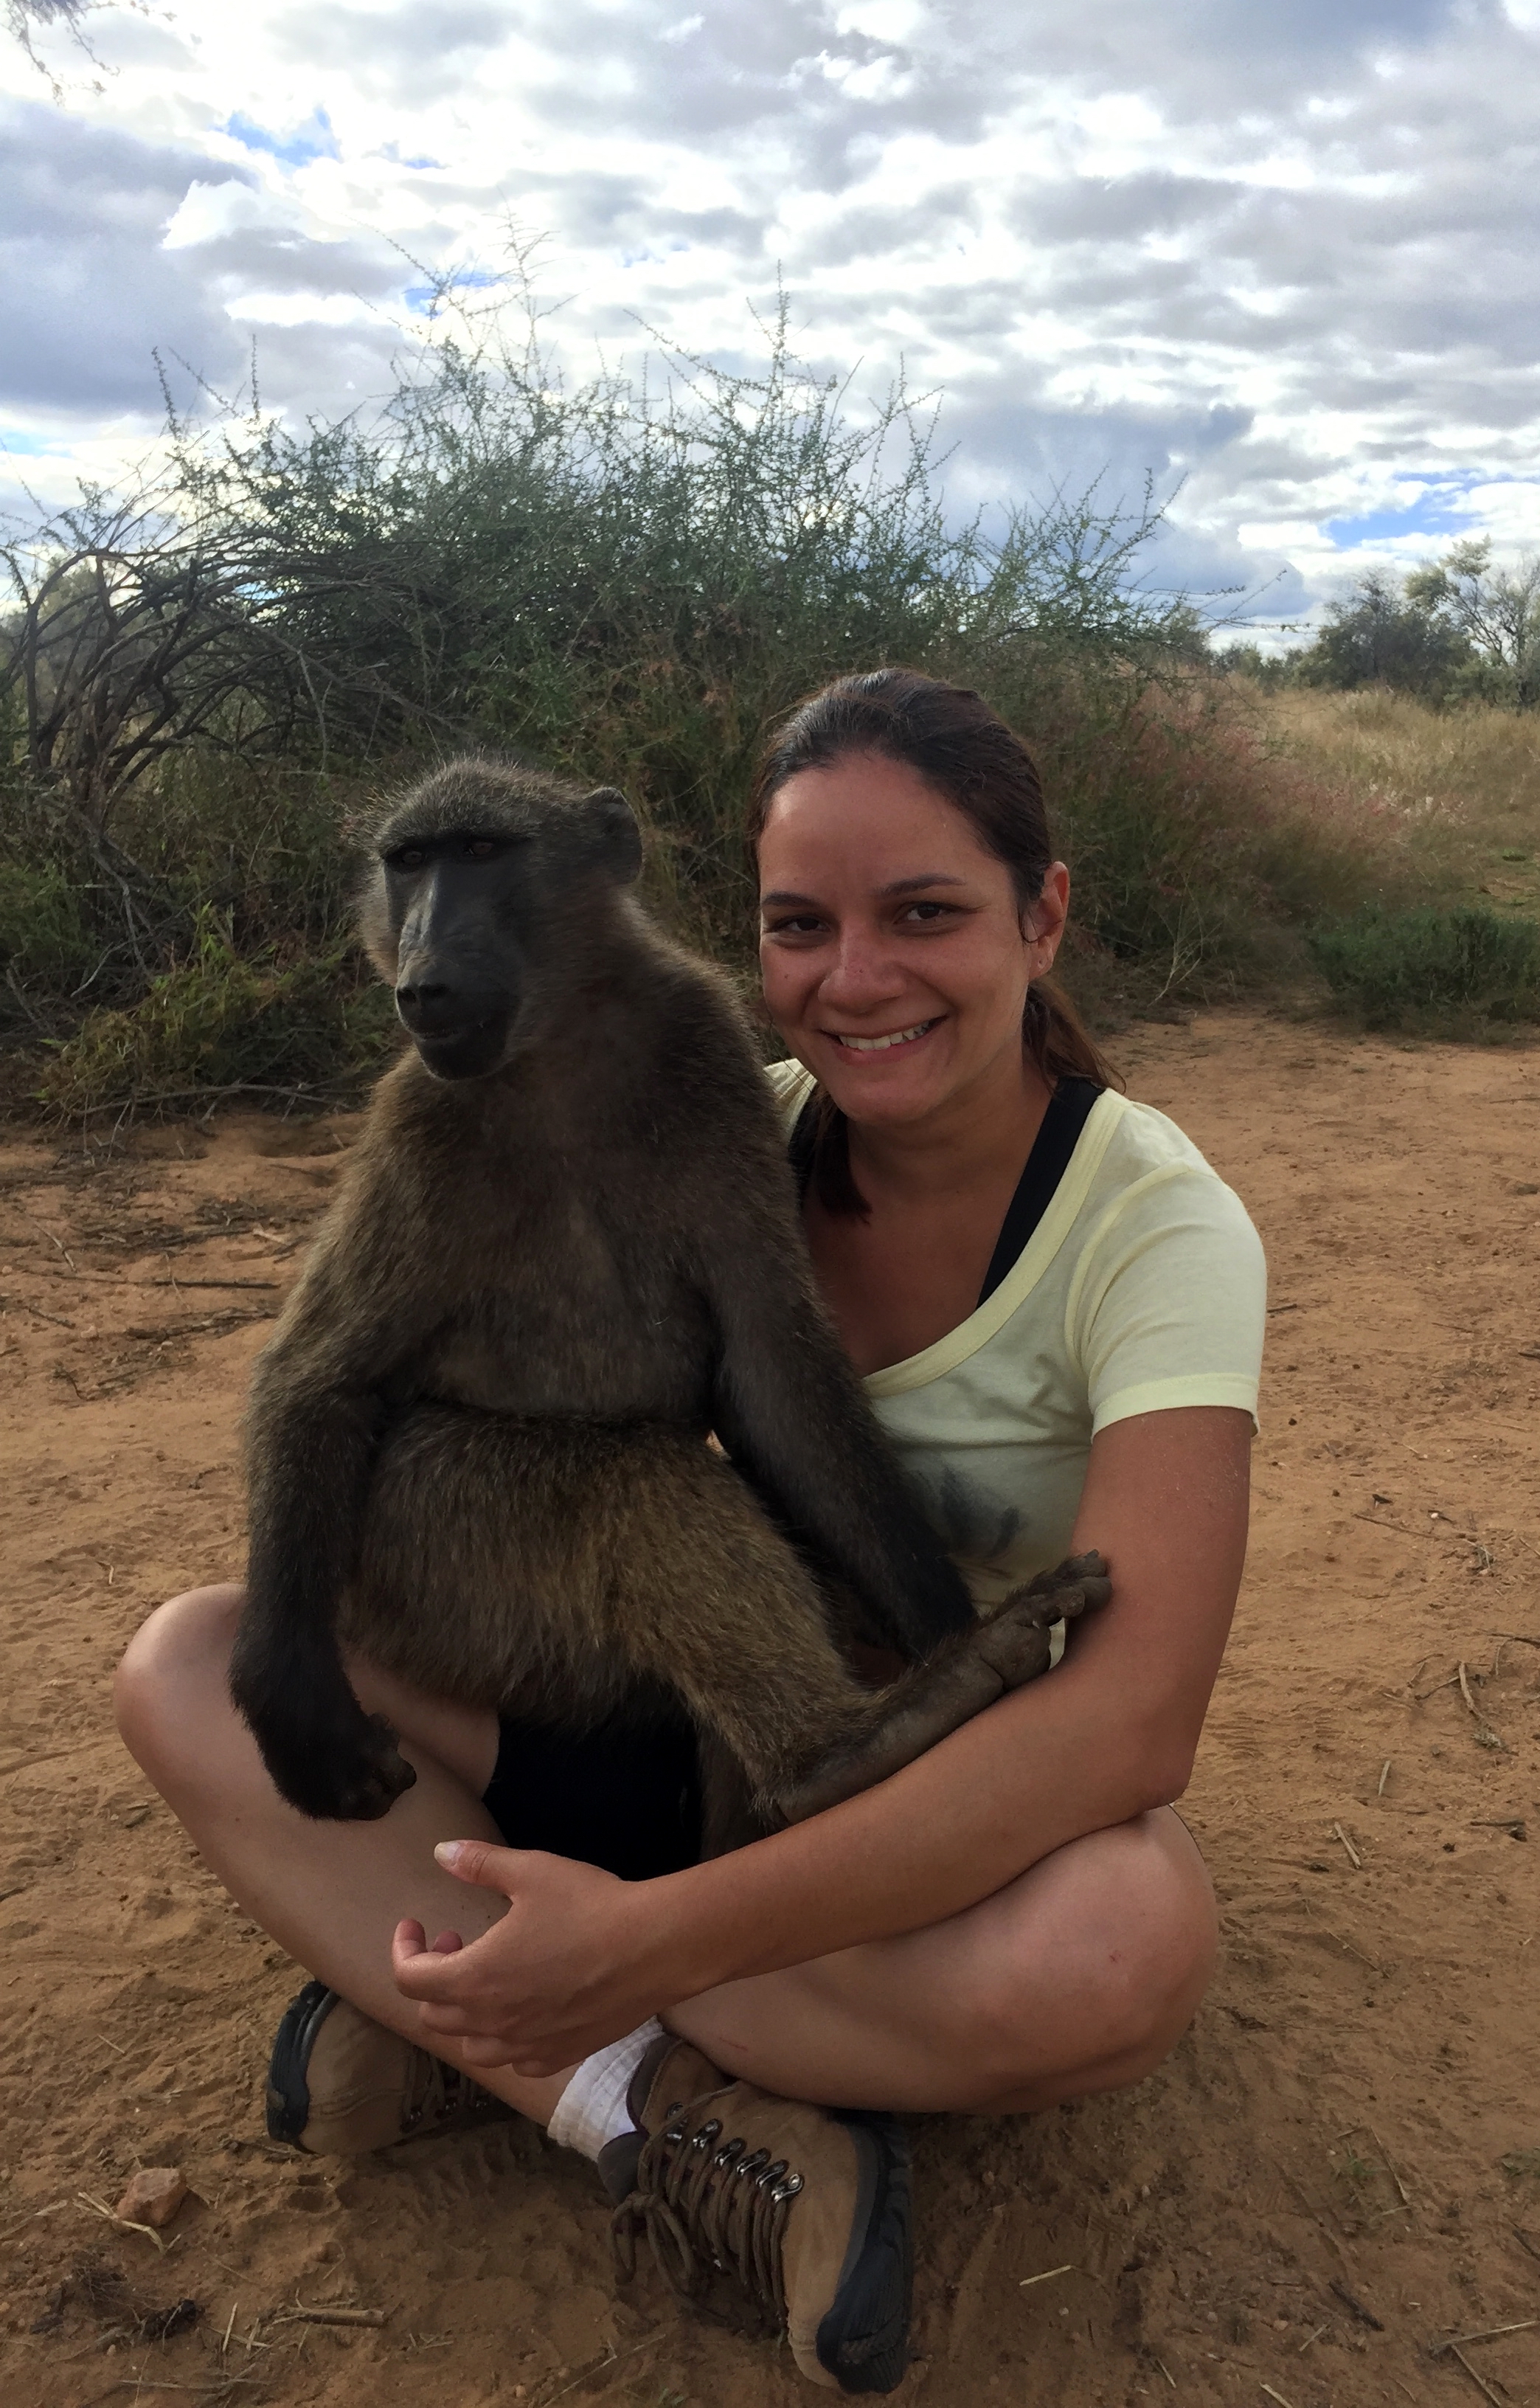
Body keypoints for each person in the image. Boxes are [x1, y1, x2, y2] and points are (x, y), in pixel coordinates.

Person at [115, 668, 1264, 2396]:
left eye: (927, 913)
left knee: (1122, 1939)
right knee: (189, 1662)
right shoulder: (532, 1114)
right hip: (549, 1600)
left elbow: (784, 1387)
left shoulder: (1126, 1214)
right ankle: (649, 2082)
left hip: (758, 1726)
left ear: (1044, 919)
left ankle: (490, 2004)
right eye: (808, 922)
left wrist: (940, 1649)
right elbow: (315, 1388)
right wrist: (289, 1650)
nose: (430, 947)